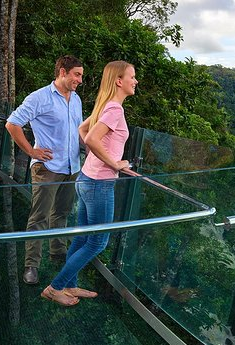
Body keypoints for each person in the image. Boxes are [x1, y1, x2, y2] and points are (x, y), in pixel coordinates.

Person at [41, 60, 137, 306]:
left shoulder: (105, 105)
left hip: (86, 178)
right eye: (132, 77)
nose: (135, 81)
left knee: (83, 238)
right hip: (99, 184)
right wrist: (114, 163)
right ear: (119, 81)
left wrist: (99, 156)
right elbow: (92, 138)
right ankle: (55, 288)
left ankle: (71, 286)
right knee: (98, 241)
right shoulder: (115, 109)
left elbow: (83, 130)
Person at [6, 55, 84, 285]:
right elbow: (12, 124)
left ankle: (58, 253)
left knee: (61, 213)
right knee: (39, 217)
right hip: (48, 167)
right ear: (62, 72)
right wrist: (32, 151)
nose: (80, 80)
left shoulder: (76, 99)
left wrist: (89, 147)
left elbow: (77, 131)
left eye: (81, 75)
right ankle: (31, 265)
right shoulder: (39, 97)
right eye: (76, 74)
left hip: (71, 166)